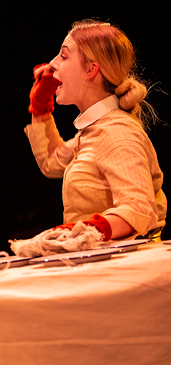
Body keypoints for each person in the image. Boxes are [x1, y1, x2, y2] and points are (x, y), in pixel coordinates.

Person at [25, 19, 166, 242]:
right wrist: (40, 107)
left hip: (127, 268)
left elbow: (139, 208)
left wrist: (78, 233)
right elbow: (51, 162)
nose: (52, 65)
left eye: (63, 56)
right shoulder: (94, 131)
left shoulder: (118, 133)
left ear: (91, 69)